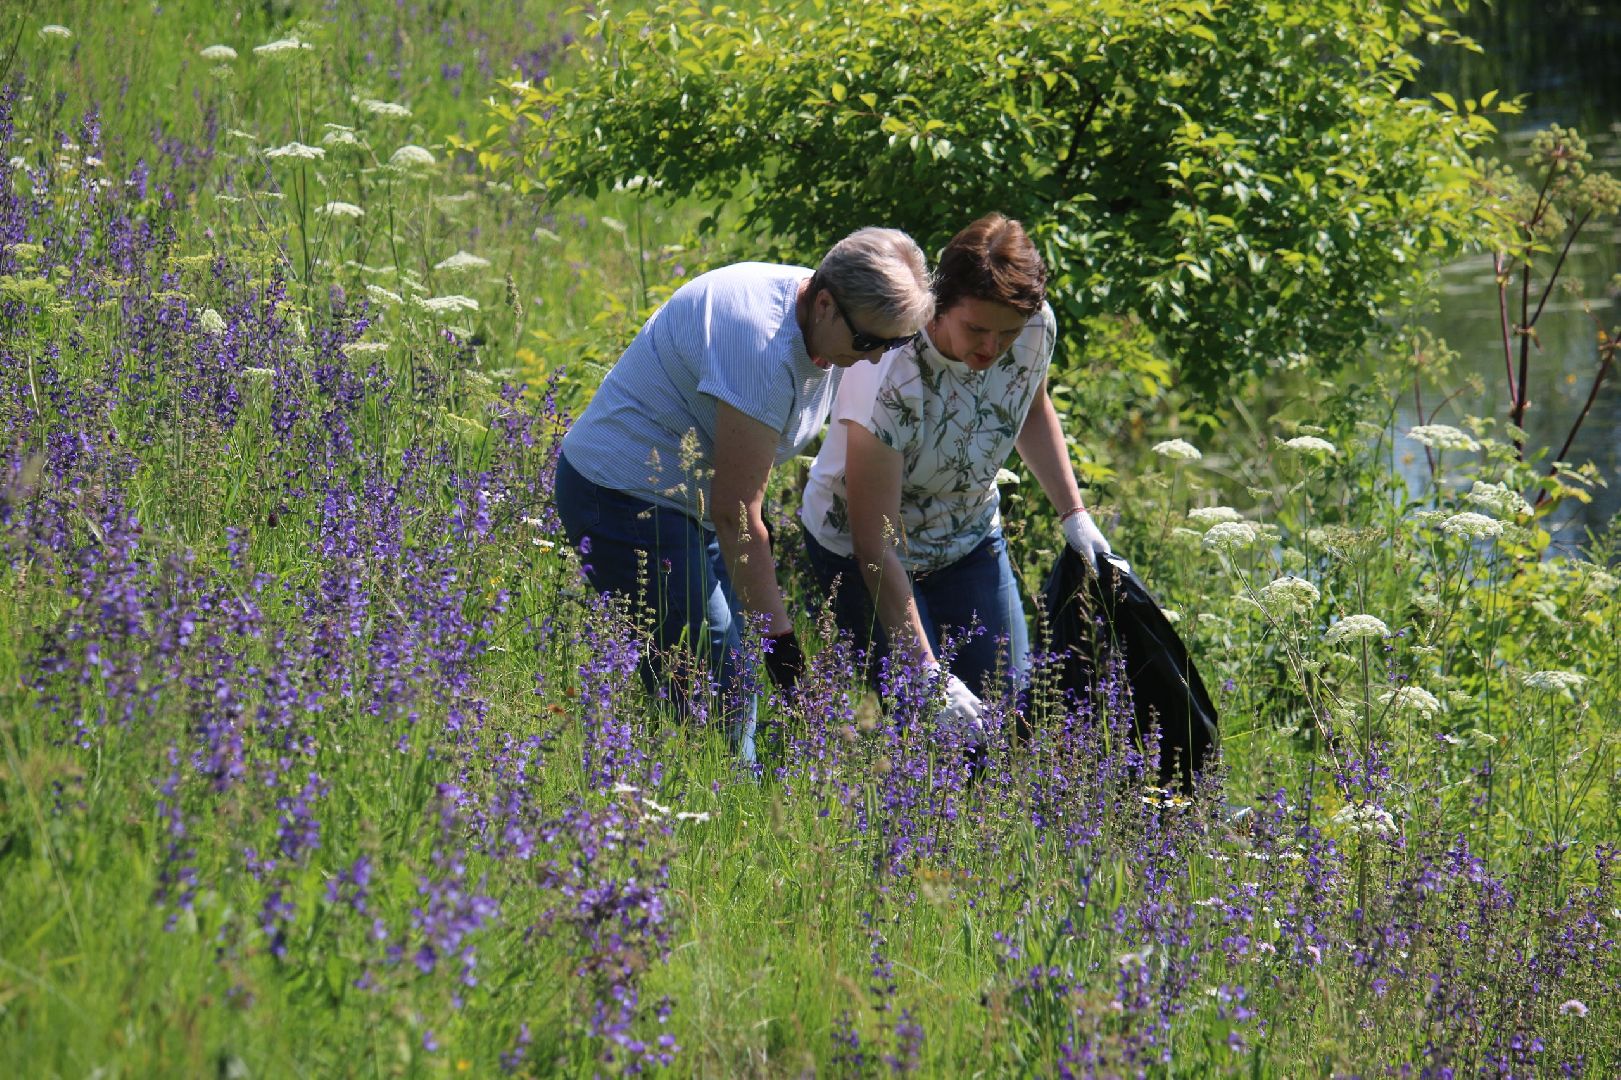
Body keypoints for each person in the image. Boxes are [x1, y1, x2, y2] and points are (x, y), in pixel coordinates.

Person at [555, 228, 933, 760]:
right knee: (720, 689)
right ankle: (707, 813)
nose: (874, 360)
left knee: (720, 678)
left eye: (894, 345)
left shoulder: (827, 326)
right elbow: (738, 515)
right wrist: (788, 660)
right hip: (621, 495)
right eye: (870, 343)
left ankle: (713, 792)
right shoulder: (763, 346)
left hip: (692, 506)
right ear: (824, 302)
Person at [798, 213, 1115, 745]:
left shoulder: (1033, 327)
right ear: (940, 304)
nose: (992, 348)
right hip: (862, 551)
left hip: (968, 536)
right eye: (976, 330)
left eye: (1007, 333)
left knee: (1008, 715)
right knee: (927, 729)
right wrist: (926, 669)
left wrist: (1074, 515)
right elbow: (874, 545)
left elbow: (1029, 407)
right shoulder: (891, 370)